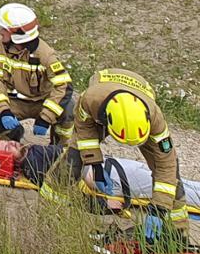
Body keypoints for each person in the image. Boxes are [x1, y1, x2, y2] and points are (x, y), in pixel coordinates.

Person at [72, 69, 187, 243]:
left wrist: (159, 209)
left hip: (141, 100)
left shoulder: (155, 119)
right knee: (71, 158)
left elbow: (167, 165)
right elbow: (84, 132)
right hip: (105, 102)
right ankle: (49, 208)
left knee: (173, 180)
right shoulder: (90, 99)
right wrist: (94, 164)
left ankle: (178, 234)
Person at [1, 139, 200, 213]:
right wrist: (102, 204)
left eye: (7, 143)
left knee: (172, 178)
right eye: (6, 149)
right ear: (7, 161)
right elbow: (63, 193)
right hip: (109, 179)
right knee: (170, 189)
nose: (10, 145)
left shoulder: (33, 150)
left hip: (110, 166)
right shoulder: (33, 167)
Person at [0, 3, 74, 143]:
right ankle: (14, 139)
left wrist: (46, 117)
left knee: (68, 110)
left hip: (42, 101)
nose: (0, 32)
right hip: (16, 101)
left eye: (4, 29)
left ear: (17, 35)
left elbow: (64, 86)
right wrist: (4, 110)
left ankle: (60, 149)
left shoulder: (46, 55)